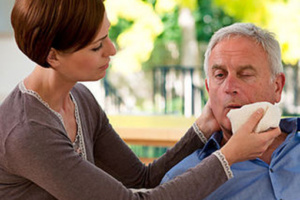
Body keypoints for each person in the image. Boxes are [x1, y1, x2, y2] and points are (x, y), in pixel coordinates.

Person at [0, 1, 281, 199]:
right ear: (53, 57)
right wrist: (229, 156)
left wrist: (202, 128)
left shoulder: (79, 98)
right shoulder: (27, 133)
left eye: (107, 35)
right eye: (97, 46)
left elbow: (141, 180)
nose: (112, 49)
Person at [160, 23, 300, 200]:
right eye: (220, 75)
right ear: (209, 90)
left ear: (277, 87)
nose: (230, 87)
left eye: (245, 74)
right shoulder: (180, 182)